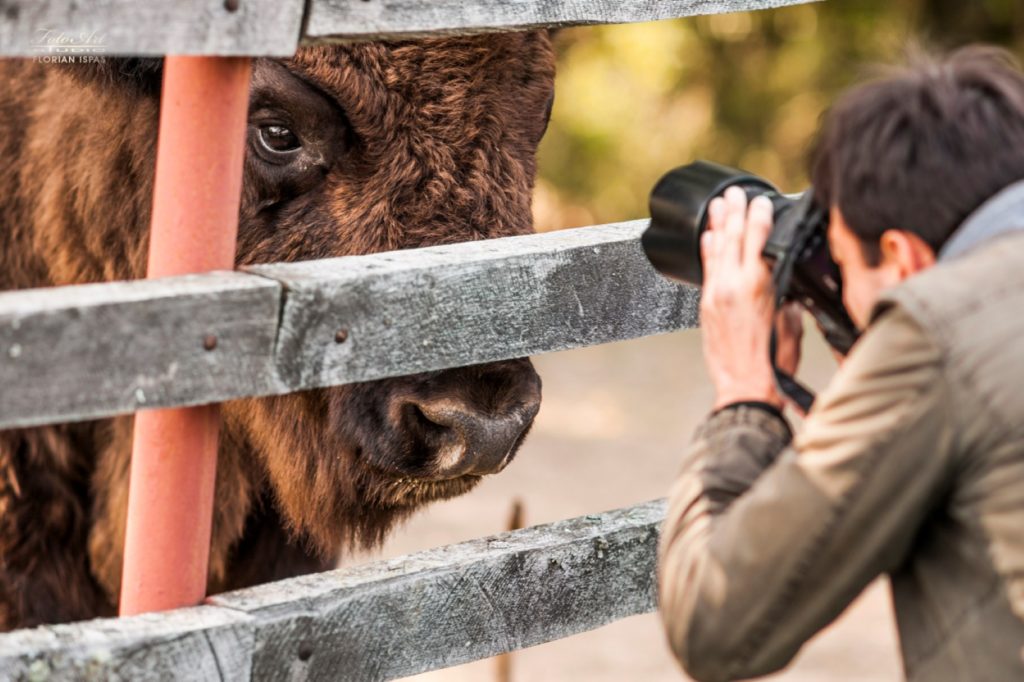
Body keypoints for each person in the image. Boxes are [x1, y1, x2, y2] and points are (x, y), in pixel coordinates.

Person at [657, 45, 1024, 682]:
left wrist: (745, 396)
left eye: (844, 268)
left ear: (902, 259)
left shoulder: (933, 331)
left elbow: (713, 626)